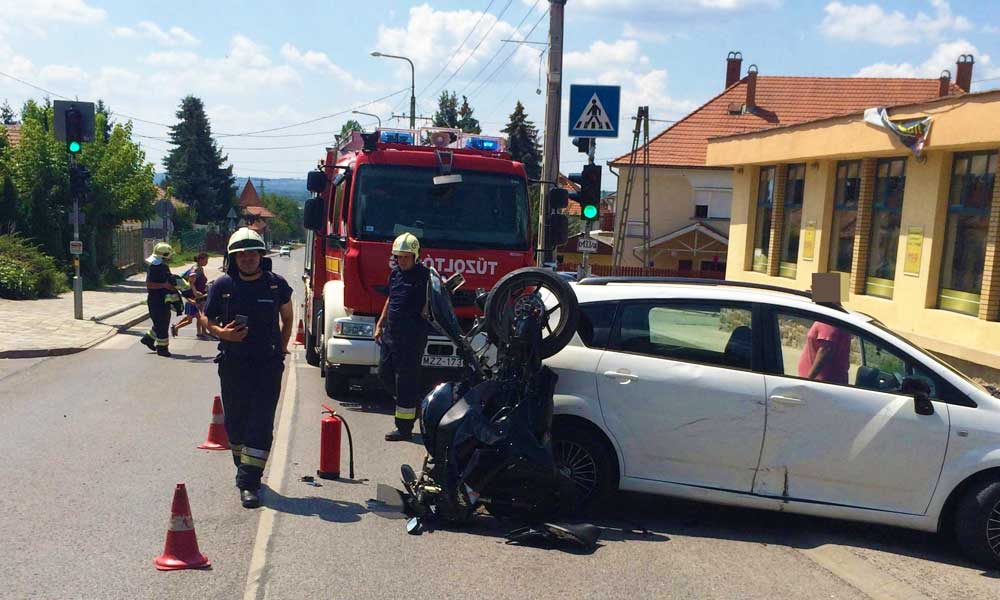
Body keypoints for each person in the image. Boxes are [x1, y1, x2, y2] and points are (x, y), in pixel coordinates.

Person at [198, 228, 294, 508]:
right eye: (242, 254)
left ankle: (249, 482)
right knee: (235, 424)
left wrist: (283, 346)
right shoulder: (222, 286)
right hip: (233, 365)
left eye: (253, 253)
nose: (248, 258)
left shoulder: (276, 285)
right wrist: (222, 333)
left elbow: (287, 318)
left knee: (261, 422)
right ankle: (244, 467)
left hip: (267, 365)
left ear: (261, 256)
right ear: (233, 257)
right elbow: (206, 319)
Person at [374, 232, 430, 442]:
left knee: (405, 381)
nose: (402, 260)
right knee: (384, 373)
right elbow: (391, 299)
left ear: (415, 256)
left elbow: (437, 297)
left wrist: (426, 308)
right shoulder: (395, 274)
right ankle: (415, 403)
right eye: (398, 256)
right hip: (391, 334)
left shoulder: (425, 276)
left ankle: (404, 428)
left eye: (406, 256)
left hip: (412, 337)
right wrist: (380, 324)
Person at [140, 242, 176, 357]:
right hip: (155, 300)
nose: (170, 259)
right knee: (162, 325)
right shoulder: (154, 267)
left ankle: (148, 339)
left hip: (163, 299)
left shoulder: (163, 266)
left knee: (162, 321)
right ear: (163, 256)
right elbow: (150, 284)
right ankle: (162, 349)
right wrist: (164, 286)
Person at [797, 320, 852, 385]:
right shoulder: (830, 320)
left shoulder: (828, 321)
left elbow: (825, 350)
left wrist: (808, 379)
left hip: (818, 383)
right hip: (821, 383)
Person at [171, 252, 210, 339]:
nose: (207, 262)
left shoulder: (200, 268)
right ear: (200, 259)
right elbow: (191, 282)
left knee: (196, 316)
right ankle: (200, 332)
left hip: (199, 296)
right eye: (205, 260)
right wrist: (195, 292)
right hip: (194, 297)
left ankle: (201, 332)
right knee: (195, 317)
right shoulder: (195, 269)